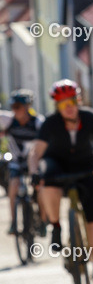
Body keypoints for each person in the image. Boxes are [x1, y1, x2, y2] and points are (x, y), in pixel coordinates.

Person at [31, 79, 93, 284]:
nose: (69, 107)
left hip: (87, 167)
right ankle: (56, 226)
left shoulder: (92, 118)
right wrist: (33, 172)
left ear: (78, 100)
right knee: (46, 180)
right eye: (62, 103)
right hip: (58, 166)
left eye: (72, 101)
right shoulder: (50, 123)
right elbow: (36, 154)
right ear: (57, 106)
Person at [0, 90, 44, 234]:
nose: (15, 110)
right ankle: (13, 222)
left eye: (18, 106)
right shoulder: (9, 120)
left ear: (27, 107)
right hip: (16, 161)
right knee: (13, 187)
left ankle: (43, 220)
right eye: (13, 107)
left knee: (40, 188)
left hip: (34, 161)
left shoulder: (38, 122)